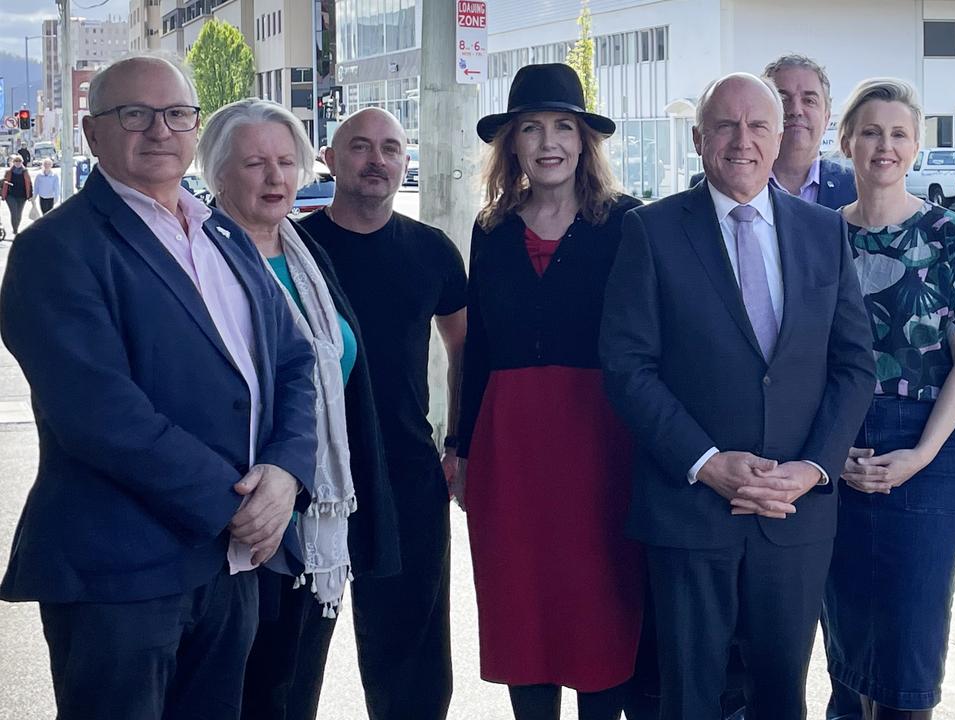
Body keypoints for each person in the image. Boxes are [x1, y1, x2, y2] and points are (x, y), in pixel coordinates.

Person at [0, 55, 318, 720]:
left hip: (228, 567)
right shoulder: (56, 250)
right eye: (133, 115)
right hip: (121, 570)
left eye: (176, 114)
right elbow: (98, 413)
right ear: (92, 135)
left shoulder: (221, 234)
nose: (159, 130)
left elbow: (294, 361)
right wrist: (235, 502)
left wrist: (286, 473)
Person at [599, 72, 877, 720]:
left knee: (782, 698)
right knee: (689, 698)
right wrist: (705, 462)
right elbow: (626, 366)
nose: (742, 140)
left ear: (780, 137)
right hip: (690, 509)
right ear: (699, 139)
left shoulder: (821, 232)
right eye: (726, 124)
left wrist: (813, 469)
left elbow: (854, 363)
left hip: (794, 515)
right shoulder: (652, 231)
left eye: (758, 125)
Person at [195, 98, 402, 720]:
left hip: (314, 517)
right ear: (218, 174)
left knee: (292, 688)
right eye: (255, 162)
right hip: (239, 516)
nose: (275, 176)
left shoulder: (305, 256)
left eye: (286, 161)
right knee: (239, 693)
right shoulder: (199, 258)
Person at [456, 62, 647, 720]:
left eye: (563, 126)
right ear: (510, 144)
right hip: (509, 445)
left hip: (601, 443)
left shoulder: (627, 223)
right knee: (521, 607)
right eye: (530, 128)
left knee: (599, 605)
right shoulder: (491, 229)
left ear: (584, 141)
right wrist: (460, 446)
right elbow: (477, 344)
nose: (548, 142)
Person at [822, 78, 955, 720]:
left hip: (929, 444)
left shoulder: (945, 233)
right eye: (870, 131)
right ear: (847, 142)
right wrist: (828, 455)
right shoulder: (818, 235)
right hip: (839, 443)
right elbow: (802, 362)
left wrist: (920, 455)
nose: (883, 146)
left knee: (912, 629)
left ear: (916, 147)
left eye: (898, 134)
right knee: (846, 625)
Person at [300, 107, 466, 720]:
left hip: (405, 470)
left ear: (404, 161)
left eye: (391, 148)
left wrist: (458, 444)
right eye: (361, 147)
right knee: (291, 653)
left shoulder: (430, 251)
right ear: (331, 157)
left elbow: (463, 345)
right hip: (305, 476)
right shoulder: (295, 248)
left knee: (413, 661)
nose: (377, 160)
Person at [690, 54, 855, 210]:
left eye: (809, 101)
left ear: (826, 117)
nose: (796, 110)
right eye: (783, 99)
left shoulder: (854, 187)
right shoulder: (712, 184)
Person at [2, 155, 33, 234]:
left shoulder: (25, 172)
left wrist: (30, 195)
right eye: (16, 161)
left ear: (21, 162)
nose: (18, 163)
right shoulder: (9, 172)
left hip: (22, 196)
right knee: (14, 212)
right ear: (13, 163)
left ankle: (16, 227)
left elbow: (29, 183)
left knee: (19, 214)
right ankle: (15, 229)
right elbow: (3, 183)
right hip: (10, 196)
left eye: (19, 161)